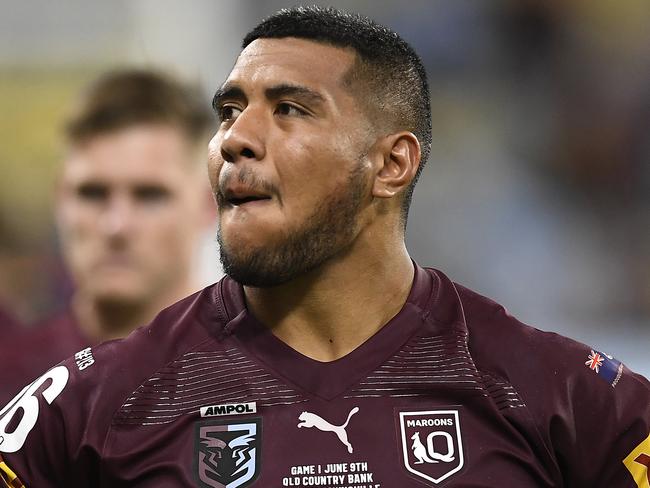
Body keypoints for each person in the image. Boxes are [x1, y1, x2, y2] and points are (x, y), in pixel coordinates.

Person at [1, 7, 649, 487]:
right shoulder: (92, 406)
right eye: (230, 110)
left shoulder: (554, 393)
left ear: (392, 163)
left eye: (289, 109)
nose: (235, 139)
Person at [0, 69, 215, 405]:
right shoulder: (11, 381)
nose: (115, 226)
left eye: (149, 195)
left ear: (209, 204)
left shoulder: (269, 375)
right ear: (60, 198)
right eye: (92, 193)